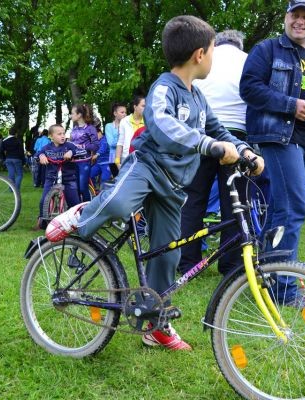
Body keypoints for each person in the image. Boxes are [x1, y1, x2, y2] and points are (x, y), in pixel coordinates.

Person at [45, 15, 263, 351]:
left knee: (166, 256)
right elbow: (161, 124)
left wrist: (245, 151)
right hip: (147, 168)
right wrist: (208, 146)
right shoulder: (164, 88)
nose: (214, 59)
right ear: (200, 55)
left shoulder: (199, 97)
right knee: (119, 204)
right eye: (213, 52)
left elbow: (219, 130)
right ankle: (83, 214)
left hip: (174, 186)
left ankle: (156, 325)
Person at [240, 0, 305, 307]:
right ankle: (284, 291)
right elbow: (249, 88)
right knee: (293, 208)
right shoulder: (267, 50)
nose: (300, 21)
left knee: (279, 210)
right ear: (286, 17)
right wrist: (290, 105)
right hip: (279, 138)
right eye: (295, 15)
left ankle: (264, 279)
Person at [177, 29, 249, 277]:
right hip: (236, 135)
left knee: (193, 200)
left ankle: (187, 261)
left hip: (200, 134)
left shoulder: (203, 58)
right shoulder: (248, 60)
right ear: (239, 45)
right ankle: (231, 264)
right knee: (234, 202)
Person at [35, 124, 83, 229]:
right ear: (51, 136)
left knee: (74, 202)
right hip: (51, 178)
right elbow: (38, 154)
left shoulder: (69, 146)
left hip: (68, 178)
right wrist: (41, 156)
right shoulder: (47, 148)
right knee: (44, 200)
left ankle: (79, 222)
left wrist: (71, 152)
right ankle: (42, 221)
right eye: (59, 134)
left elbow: (80, 150)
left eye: (63, 133)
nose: (63, 136)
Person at [69, 103, 99, 201]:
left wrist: (83, 146)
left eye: (72, 113)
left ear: (79, 115)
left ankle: (88, 208)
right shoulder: (74, 129)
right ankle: (78, 209)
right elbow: (71, 143)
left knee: (82, 188)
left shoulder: (90, 128)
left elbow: (96, 145)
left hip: (84, 162)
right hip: (73, 162)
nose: (70, 115)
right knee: (76, 189)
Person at [115, 95, 145, 167]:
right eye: (143, 106)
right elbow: (120, 142)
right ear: (135, 107)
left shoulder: (148, 121)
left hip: (143, 159)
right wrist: (117, 162)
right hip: (127, 158)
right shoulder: (124, 121)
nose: (145, 108)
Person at [103, 103, 127, 177]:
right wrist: (120, 132)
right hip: (113, 158)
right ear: (115, 113)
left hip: (125, 156)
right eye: (122, 112)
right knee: (117, 178)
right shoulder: (109, 126)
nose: (125, 114)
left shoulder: (128, 125)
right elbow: (111, 143)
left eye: (125, 112)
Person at [90, 120, 112, 187]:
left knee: (104, 179)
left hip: (106, 163)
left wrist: (97, 154)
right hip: (98, 164)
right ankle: (94, 189)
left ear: (99, 133)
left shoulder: (105, 139)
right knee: (89, 174)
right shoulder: (96, 141)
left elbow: (103, 148)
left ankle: (104, 192)